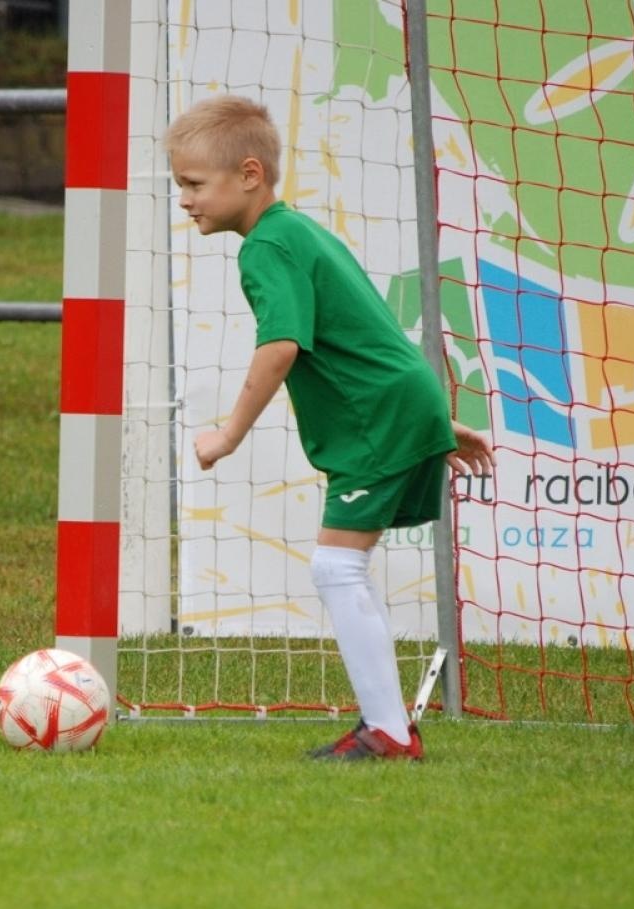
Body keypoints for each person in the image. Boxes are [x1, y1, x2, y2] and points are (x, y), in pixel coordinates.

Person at [165, 95, 495, 762]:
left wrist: (227, 434)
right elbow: (370, 335)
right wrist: (431, 418)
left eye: (194, 185)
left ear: (249, 174)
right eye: (181, 186)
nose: (185, 201)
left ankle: (391, 732)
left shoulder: (266, 249)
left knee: (336, 566)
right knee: (343, 565)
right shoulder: (298, 232)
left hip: (381, 419)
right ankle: (389, 726)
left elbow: (281, 344)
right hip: (398, 408)